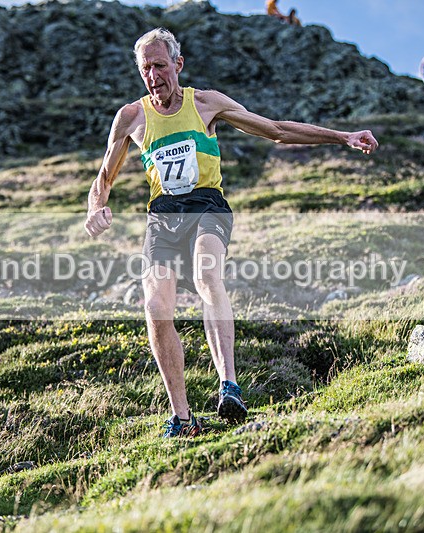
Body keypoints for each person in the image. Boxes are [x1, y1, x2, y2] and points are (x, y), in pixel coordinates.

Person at [83, 28, 378, 438]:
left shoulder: (206, 104)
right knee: (155, 307)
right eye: (145, 68)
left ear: (178, 65)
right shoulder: (131, 117)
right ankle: (182, 419)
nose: (153, 76)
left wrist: (342, 136)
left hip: (207, 207)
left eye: (160, 66)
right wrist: (96, 207)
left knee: (206, 274)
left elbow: (275, 129)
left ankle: (229, 386)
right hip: (163, 217)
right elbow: (104, 176)